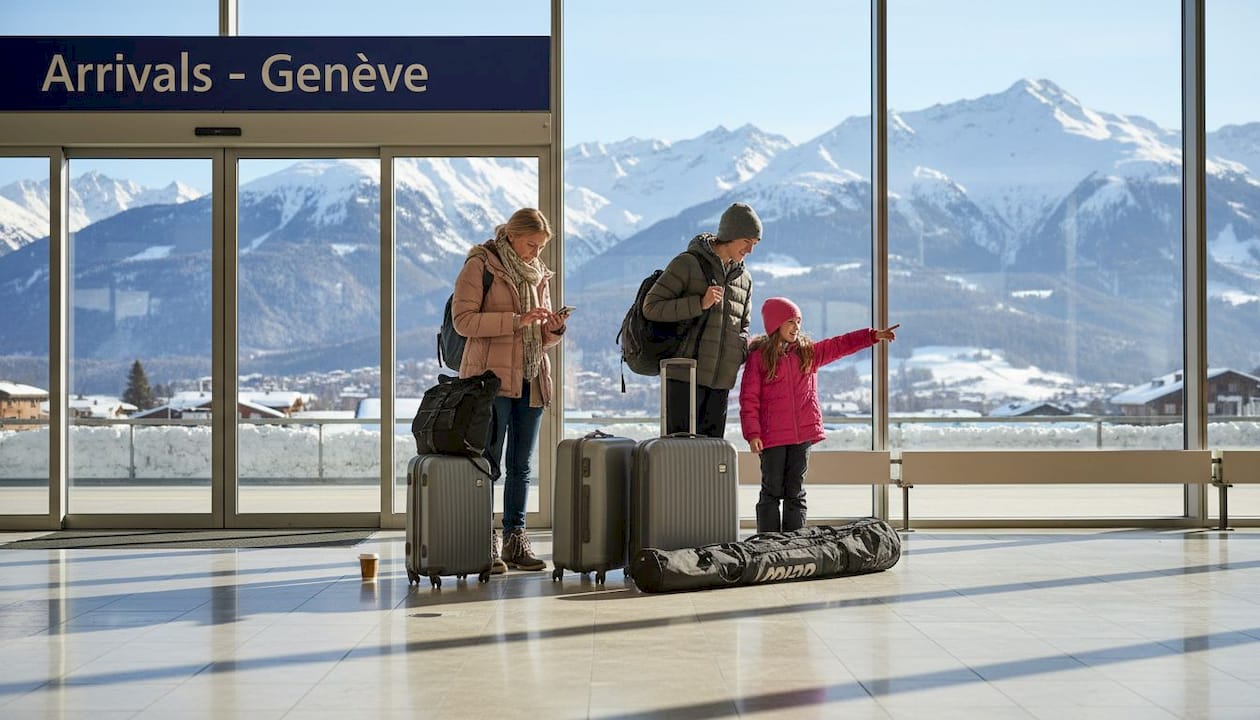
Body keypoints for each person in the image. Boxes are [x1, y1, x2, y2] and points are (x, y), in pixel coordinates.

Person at [452, 208, 566, 573]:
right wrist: (517, 321)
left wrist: (553, 330)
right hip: (490, 381)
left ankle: (516, 539)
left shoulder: (538, 274)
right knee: (488, 462)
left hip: (532, 377)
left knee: (521, 465)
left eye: (541, 247)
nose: (536, 253)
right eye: (532, 244)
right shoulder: (480, 266)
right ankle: (483, 540)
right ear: (512, 236)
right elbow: (463, 321)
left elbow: (539, 338)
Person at [739, 296, 899, 533]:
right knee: (771, 491)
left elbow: (840, 344)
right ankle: (768, 542)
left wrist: (872, 336)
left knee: (795, 491)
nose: (796, 327)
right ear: (775, 324)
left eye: (798, 321)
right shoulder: (759, 358)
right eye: (790, 321)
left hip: (802, 436)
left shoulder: (808, 353)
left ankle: (795, 542)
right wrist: (753, 434)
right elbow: (749, 399)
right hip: (772, 437)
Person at [642, 202, 759, 438]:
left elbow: (743, 326)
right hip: (685, 376)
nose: (750, 250)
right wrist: (699, 304)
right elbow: (651, 307)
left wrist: (739, 351)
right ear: (730, 235)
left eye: (754, 244)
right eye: (747, 242)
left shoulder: (744, 279)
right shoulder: (687, 264)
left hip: (721, 383)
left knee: (712, 454)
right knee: (680, 452)